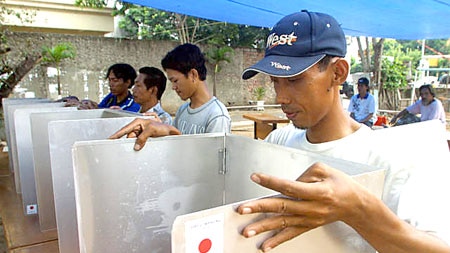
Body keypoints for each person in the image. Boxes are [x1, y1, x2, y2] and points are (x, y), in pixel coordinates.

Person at [236, 11, 450, 253]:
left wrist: (357, 211)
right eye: (275, 81)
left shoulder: (391, 157)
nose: (281, 97)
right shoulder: (279, 141)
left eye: (294, 79)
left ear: (338, 73)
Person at [110, 43, 231, 150]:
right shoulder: (182, 111)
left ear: (193, 75)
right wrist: (161, 128)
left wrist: (171, 132)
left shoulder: (216, 116)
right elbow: (174, 148)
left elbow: (213, 165)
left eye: (175, 80)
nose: (173, 87)